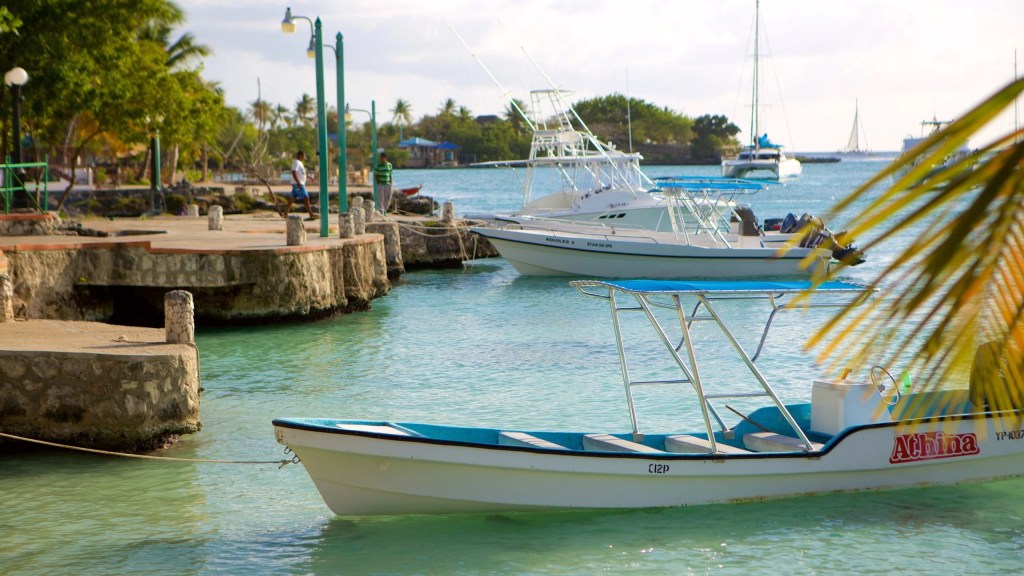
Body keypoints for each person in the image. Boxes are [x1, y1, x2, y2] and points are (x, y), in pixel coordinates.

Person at [285, 150, 315, 219]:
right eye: (304, 156)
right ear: (300, 155)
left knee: (293, 198)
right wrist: (298, 182)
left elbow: (301, 173)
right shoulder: (296, 162)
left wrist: (309, 177)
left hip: (299, 183)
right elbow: (294, 172)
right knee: (306, 197)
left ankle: (285, 213)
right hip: (298, 184)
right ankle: (311, 214)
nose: (304, 157)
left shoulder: (300, 163)